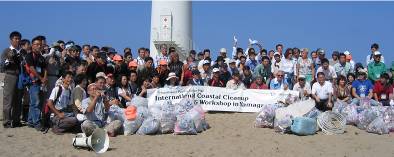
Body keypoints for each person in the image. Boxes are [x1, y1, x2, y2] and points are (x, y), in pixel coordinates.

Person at [1, 31, 23, 128]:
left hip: (20, 76)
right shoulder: (6, 51)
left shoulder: (22, 51)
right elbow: (2, 65)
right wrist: (9, 59)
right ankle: (6, 121)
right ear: (11, 40)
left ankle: (16, 120)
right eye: (15, 38)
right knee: (8, 99)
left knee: (18, 100)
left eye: (19, 39)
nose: (17, 40)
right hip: (10, 75)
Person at [26, 36, 48, 130]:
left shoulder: (41, 57)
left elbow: (45, 68)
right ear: (32, 45)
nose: (39, 46)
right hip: (33, 81)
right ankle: (37, 123)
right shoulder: (29, 55)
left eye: (40, 44)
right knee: (36, 102)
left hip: (40, 82)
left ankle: (30, 121)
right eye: (36, 44)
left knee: (34, 103)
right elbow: (31, 68)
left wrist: (44, 78)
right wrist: (40, 78)